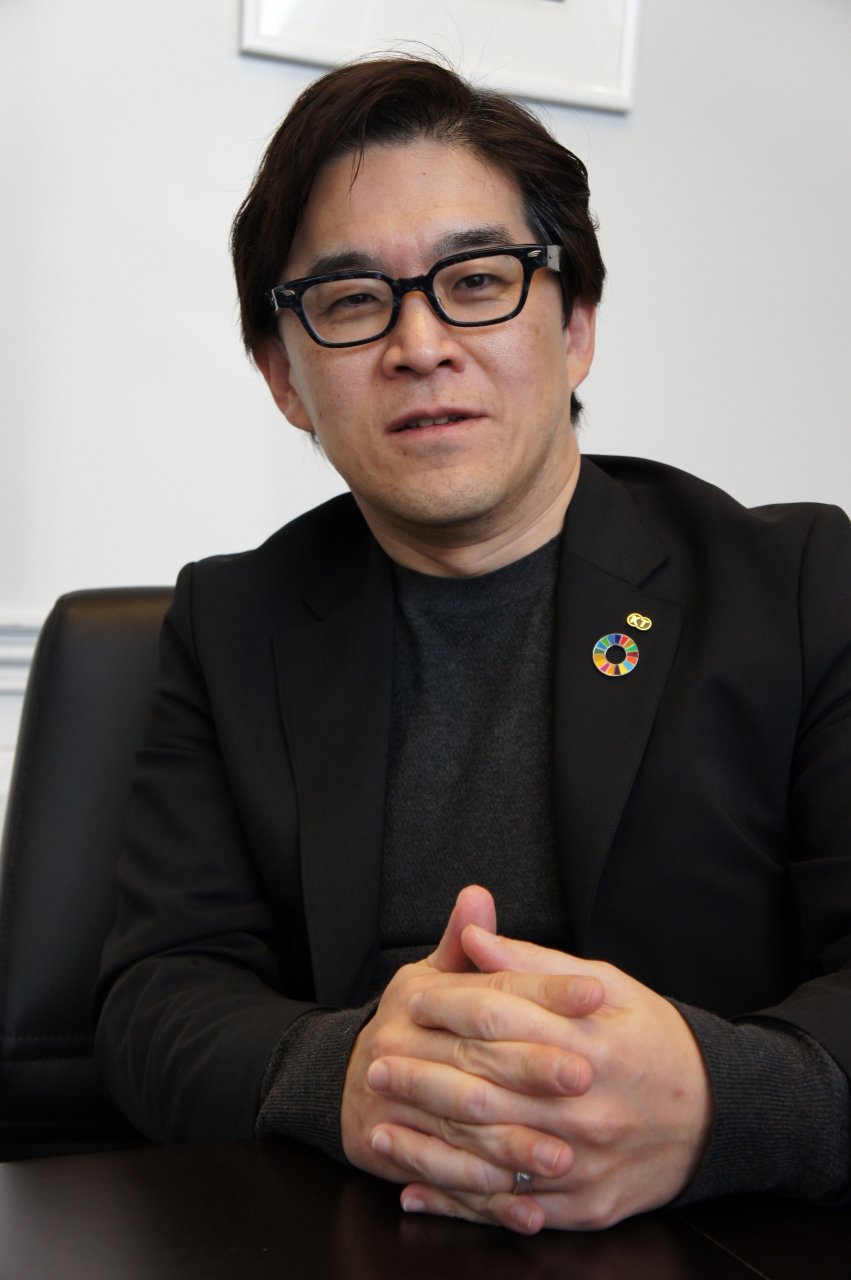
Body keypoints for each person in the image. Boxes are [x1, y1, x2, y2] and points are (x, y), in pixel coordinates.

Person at [94, 56, 851, 1234]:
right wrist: (352, 1071)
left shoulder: (796, 584)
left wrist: (713, 1099)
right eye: (352, 300)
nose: (420, 342)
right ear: (284, 375)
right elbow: (156, 993)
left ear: (575, 325)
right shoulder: (231, 620)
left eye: (477, 280)